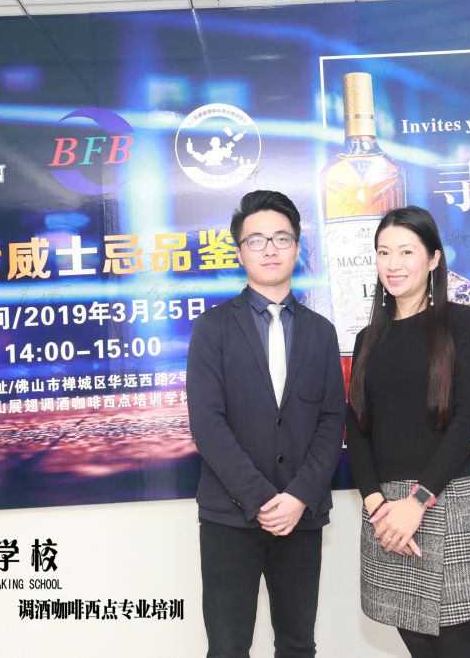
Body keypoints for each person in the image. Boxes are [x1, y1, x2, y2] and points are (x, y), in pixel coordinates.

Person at [187, 190, 346, 658]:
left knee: (298, 645)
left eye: (281, 238)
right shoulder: (213, 328)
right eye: (256, 240)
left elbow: (331, 420)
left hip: (302, 515)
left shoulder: (321, 331)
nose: (270, 249)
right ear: (239, 253)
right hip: (229, 516)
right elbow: (207, 425)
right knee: (227, 647)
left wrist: (297, 497)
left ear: (298, 247)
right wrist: (260, 499)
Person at [345, 206, 470, 658]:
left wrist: (417, 501)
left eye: (406, 251)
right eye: (383, 252)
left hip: (445, 498)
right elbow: (357, 427)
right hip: (385, 514)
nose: (393, 264)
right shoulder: (366, 339)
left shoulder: (460, 322)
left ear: (433, 258)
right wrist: (376, 505)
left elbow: (468, 421)